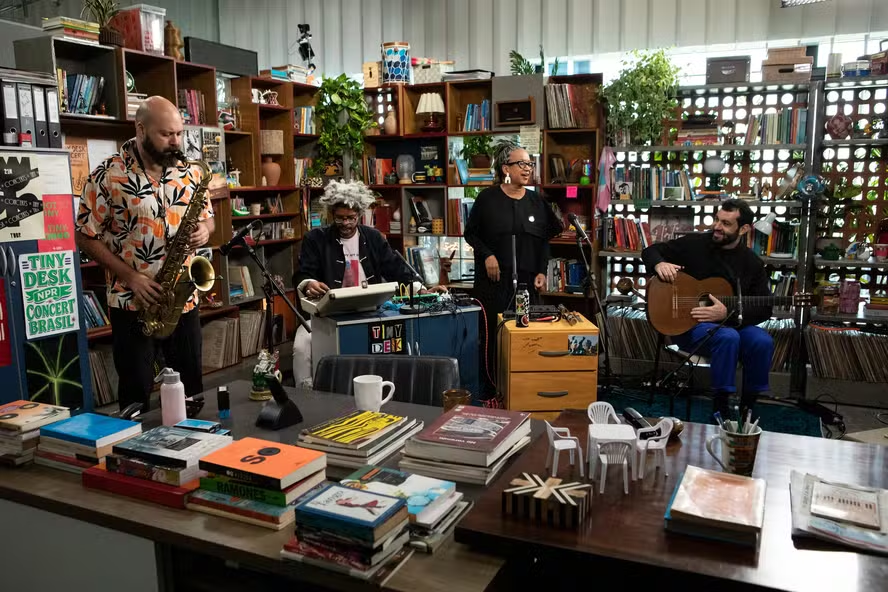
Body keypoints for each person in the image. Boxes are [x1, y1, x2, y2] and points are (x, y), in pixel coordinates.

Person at [75, 96, 214, 411]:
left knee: (190, 391)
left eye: (179, 133)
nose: (176, 142)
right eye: (166, 134)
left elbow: (208, 218)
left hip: (183, 298)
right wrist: (131, 277)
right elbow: (84, 235)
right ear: (141, 128)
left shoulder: (189, 172)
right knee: (136, 394)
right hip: (132, 300)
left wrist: (205, 230)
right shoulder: (107, 175)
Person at [292, 180, 445, 387]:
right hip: (325, 314)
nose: (345, 224)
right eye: (339, 218)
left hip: (371, 312)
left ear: (360, 214)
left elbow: (396, 270)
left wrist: (422, 289)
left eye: (351, 218)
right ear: (331, 214)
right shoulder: (315, 239)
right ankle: (306, 394)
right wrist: (309, 283)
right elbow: (302, 274)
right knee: (301, 346)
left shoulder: (373, 238)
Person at [641, 199, 773, 418]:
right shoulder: (695, 244)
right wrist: (659, 264)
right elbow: (651, 251)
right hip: (690, 325)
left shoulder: (752, 263)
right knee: (727, 337)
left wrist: (728, 313)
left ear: (744, 229)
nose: (717, 227)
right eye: (717, 220)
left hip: (732, 323)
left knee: (762, 341)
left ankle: (749, 405)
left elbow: (765, 308)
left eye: (726, 223)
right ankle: (721, 407)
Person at [464, 142, 562, 393]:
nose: (527, 169)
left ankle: (526, 390)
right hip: (494, 284)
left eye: (530, 164)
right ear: (506, 168)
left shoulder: (536, 201)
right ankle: (491, 391)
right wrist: (487, 255)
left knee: (526, 338)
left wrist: (542, 270)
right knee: (493, 339)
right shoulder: (487, 199)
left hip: (528, 284)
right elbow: (470, 234)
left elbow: (545, 238)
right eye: (522, 164)